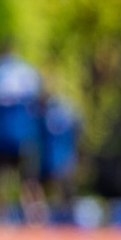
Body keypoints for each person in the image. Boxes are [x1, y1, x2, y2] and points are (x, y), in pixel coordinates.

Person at [0, 42, 43, 223]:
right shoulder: (27, 72)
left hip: (2, 134)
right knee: (28, 178)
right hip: (24, 133)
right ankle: (34, 216)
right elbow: (38, 104)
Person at [38, 90, 80, 220]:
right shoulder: (69, 115)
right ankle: (67, 216)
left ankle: (45, 216)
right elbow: (77, 132)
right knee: (66, 192)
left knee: (49, 189)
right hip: (66, 158)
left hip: (50, 158)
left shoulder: (45, 115)